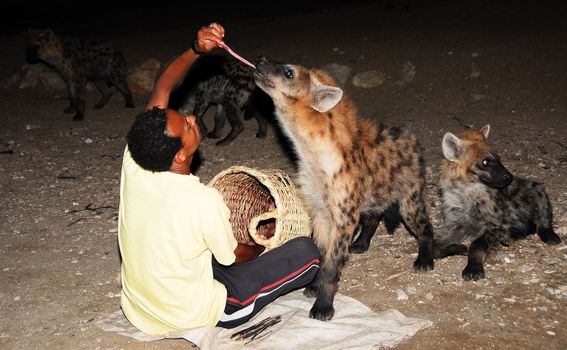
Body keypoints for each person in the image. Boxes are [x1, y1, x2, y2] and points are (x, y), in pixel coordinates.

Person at [118, 23, 320, 336]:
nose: (191, 117)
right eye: (186, 125)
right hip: (198, 313)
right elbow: (236, 259)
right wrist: (259, 244)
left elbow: (163, 87)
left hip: (140, 308)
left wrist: (196, 49)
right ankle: (238, 301)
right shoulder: (199, 200)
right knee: (307, 252)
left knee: (199, 247)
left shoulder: (136, 160)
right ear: (180, 157)